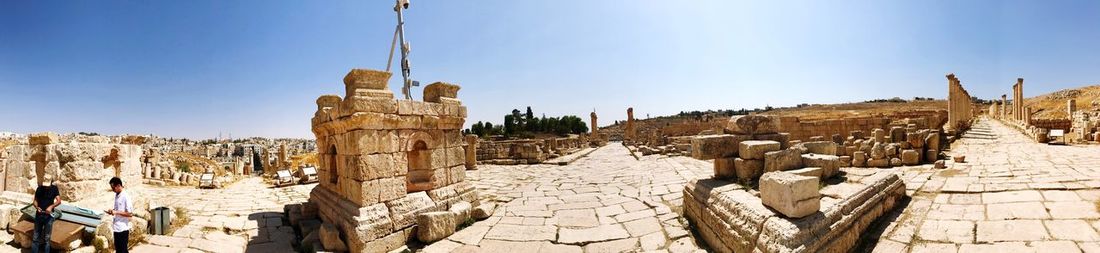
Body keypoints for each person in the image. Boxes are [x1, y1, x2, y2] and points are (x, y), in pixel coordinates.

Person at [32, 173, 61, 253]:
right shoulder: (39, 188)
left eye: (47, 185)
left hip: (49, 217)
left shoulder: (54, 189)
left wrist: (51, 207)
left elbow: (59, 201)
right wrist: (37, 207)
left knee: (47, 239)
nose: (46, 187)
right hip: (39, 216)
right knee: (35, 237)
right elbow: (34, 201)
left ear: (51, 182)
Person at [106, 177, 133, 253]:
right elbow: (118, 210)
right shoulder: (117, 195)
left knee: (123, 251)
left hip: (123, 229)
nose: (112, 190)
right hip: (116, 228)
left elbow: (130, 214)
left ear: (118, 185)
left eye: (113, 187)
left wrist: (116, 212)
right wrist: (112, 211)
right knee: (118, 250)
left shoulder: (126, 196)